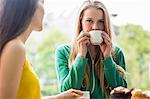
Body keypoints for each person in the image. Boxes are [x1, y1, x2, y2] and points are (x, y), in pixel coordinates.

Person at [0, 0, 84, 99]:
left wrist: (59, 98)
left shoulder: (17, 47)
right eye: (41, 2)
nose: (44, 10)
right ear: (26, 5)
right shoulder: (16, 48)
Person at [55, 0, 127, 98]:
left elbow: (122, 93)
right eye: (89, 21)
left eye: (101, 22)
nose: (95, 27)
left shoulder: (116, 53)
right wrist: (81, 56)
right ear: (81, 22)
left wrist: (107, 58)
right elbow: (66, 92)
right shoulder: (63, 52)